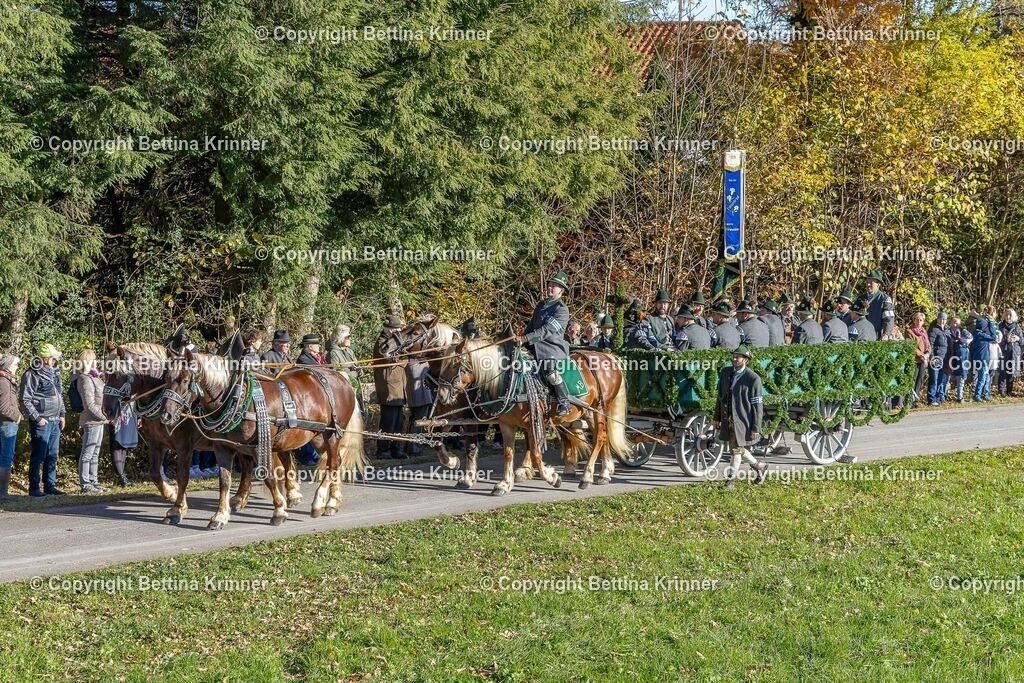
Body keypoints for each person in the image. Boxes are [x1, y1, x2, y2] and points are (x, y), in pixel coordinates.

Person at [714, 345, 769, 490]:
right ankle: (759, 466)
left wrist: (756, 427)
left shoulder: (753, 379)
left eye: (738, 357)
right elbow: (720, 397)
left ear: (745, 360)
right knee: (736, 448)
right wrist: (716, 417)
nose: (734, 359)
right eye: (733, 356)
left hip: (743, 420)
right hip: (727, 418)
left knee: (735, 450)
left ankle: (730, 481)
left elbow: (757, 406)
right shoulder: (725, 372)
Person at [520, 270, 573, 416]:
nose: (550, 287)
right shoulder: (541, 305)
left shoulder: (561, 309)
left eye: (554, 286)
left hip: (552, 348)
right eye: (550, 284)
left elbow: (547, 330)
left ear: (561, 290)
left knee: (550, 371)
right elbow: (531, 326)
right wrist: (520, 339)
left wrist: (526, 339)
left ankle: (564, 402)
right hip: (534, 345)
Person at [19, 342, 66, 497]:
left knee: (53, 455)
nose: (55, 360)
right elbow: (25, 399)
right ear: (45, 359)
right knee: (39, 456)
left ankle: (50, 486)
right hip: (42, 421)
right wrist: (37, 418)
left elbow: (59, 396)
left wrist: (62, 414)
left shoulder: (55, 373)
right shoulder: (31, 374)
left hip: (55, 420)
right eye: (53, 358)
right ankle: (34, 488)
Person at [373, 314, 409, 458]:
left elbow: (403, 357)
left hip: (398, 386)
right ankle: (383, 449)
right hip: (388, 387)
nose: (398, 332)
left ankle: (396, 448)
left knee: (399, 421)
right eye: (396, 329)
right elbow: (388, 357)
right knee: (388, 421)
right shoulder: (382, 341)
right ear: (389, 329)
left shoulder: (395, 341)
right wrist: (402, 359)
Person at [74, 349, 108, 493]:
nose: (96, 361)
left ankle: (94, 480)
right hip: (91, 420)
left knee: (95, 453)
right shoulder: (84, 379)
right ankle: (85, 483)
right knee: (88, 452)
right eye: (93, 359)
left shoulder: (95, 376)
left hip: (99, 420)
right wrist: (105, 417)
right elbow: (89, 405)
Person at [405, 316, 436, 457]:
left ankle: (414, 443)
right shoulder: (414, 359)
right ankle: (413, 445)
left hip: (420, 385)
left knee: (419, 415)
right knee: (419, 415)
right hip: (418, 388)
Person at [0, 354, 21, 500]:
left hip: (7, 423)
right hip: (7, 423)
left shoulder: (7, 380)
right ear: (8, 366)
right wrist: (17, 416)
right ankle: (3, 493)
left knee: (5, 456)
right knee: (6, 457)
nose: (17, 366)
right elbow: (4, 408)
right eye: (15, 364)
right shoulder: (4, 382)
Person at [970, 306, 999, 402]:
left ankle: (984, 394)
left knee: (986, 376)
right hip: (982, 355)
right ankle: (977, 395)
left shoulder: (985, 325)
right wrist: (991, 324)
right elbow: (992, 336)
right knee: (982, 376)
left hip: (985, 354)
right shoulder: (982, 329)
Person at [856, 270, 896, 338]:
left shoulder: (885, 299)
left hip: (877, 336)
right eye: (867, 282)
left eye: (871, 282)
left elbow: (888, 319)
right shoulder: (861, 298)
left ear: (878, 284)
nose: (868, 284)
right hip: (861, 336)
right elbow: (854, 316)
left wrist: (886, 334)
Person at [111, 401, 138, 486]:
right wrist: (116, 414)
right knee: (117, 445)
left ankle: (121, 476)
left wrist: (139, 416)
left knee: (124, 445)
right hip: (116, 411)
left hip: (130, 412)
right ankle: (120, 476)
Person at [907, 312, 931, 406]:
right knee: (913, 379)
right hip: (915, 359)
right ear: (914, 320)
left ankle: (915, 399)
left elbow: (928, 344)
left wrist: (927, 354)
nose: (919, 322)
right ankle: (909, 400)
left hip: (923, 360)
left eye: (921, 320)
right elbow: (912, 347)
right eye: (917, 319)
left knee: (920, 380)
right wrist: (922, 355)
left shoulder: (923, 331)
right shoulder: (909, 331)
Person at [327, 324, 362, 388]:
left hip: (355, 384)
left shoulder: (350, 351)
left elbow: (357, 365)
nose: (350, 339)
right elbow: (335, 373)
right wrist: (350, 371)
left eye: (350, 336)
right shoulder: (333, 353)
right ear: (340, 339)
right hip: (343, 387)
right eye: (347, 337)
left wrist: (359, 370)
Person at [927, 313, 951, 405]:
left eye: (944, 319)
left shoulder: (947, 330)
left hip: (945, 358)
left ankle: (938, 397)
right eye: (941, 318)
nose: (942, 321)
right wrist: (932, 357)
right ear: (937, 319)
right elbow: (930, 344)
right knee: (934, 379)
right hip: (936, 358)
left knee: (940, 379)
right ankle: (931, 399)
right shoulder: (933, 329)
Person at [947, 318, 972, 403]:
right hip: (950, 360)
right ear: (950, 323)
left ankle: (959, 397)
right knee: (947, 380)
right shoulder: (948, 333)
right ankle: (945, 396)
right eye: (954, 323)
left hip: (960, 365)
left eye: (958, 323)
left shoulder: (965, 347)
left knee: (960, 381)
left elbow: (965, 360)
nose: (956, 325)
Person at [998, 308, 1022, 397]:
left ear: (1013, 317)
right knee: (1003, 372)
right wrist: (1006, 340)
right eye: (1006, 315)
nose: (1008, 317)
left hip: (1014, 353)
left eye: (1010, 315)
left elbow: (1022, 341)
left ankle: (1009, 391)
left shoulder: (1017, 327)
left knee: (1011, 372)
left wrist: (1018, 338)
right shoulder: (1000, 326)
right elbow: (997, 340)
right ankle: (1002, 391)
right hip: (1004, 352)